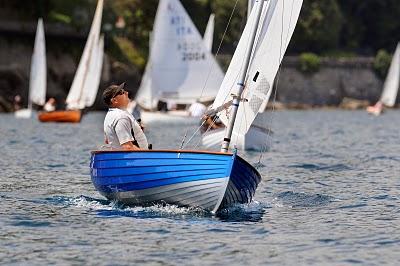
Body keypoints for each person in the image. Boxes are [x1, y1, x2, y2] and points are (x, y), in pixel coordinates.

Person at [103, 83, 149, 150]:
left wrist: (134, 130)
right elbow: (127, 147)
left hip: (123, 157)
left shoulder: (110, 115)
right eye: (122, 92)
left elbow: (107, 140)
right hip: (134, 158)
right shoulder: (121, 117)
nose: (127, 93)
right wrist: (147, 155)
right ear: (114, 100)